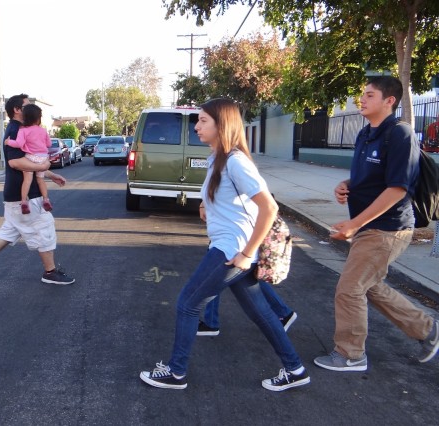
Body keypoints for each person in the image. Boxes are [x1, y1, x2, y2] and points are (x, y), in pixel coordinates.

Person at [139, 98, 310, 392]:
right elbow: (230, 198)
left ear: (222, 125)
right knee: (261, 313)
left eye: (203, 120)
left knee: (188, 303)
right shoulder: (218, 159)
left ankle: (176, 372)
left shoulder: (235, 161)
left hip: (233, 251)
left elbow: (268, 208)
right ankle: (295, 369)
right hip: (234, 249)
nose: (197, 126)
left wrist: (245, 254)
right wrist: (207, 205)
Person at [314, 76, 439, 372]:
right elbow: (366, 177)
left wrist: (354, 224)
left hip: (388, 228)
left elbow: (397, 188)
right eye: (363, 94)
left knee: (349, 289)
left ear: (389, 101)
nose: (362, 99)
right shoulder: (366, 133)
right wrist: (345, 185)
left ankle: (351, 354)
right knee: (368, 286)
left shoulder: (400, 134)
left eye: (369, 95)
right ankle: (428, 331)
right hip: (370, 227)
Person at [0, 94, 74, 286]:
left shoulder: (22, 129)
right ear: (17, 109)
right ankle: (50, 272)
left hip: (16, 195)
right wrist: (43, 167)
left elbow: (32, 159)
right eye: (27, 105)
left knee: (10, 231)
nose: (30, 108)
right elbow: (15, 161)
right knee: (43, 227)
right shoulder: (16, 130)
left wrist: (49, 174)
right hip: (24, 196)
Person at [4, 104, 53, 214]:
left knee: (27, 180)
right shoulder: (43, 130)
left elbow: (18, 143)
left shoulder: (23, 130)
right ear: (39, 118)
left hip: (31, 157)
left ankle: (24, 201)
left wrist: (8, 142)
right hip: (43, 157)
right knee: (40, 180)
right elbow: (49, 144)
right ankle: (46, 199)